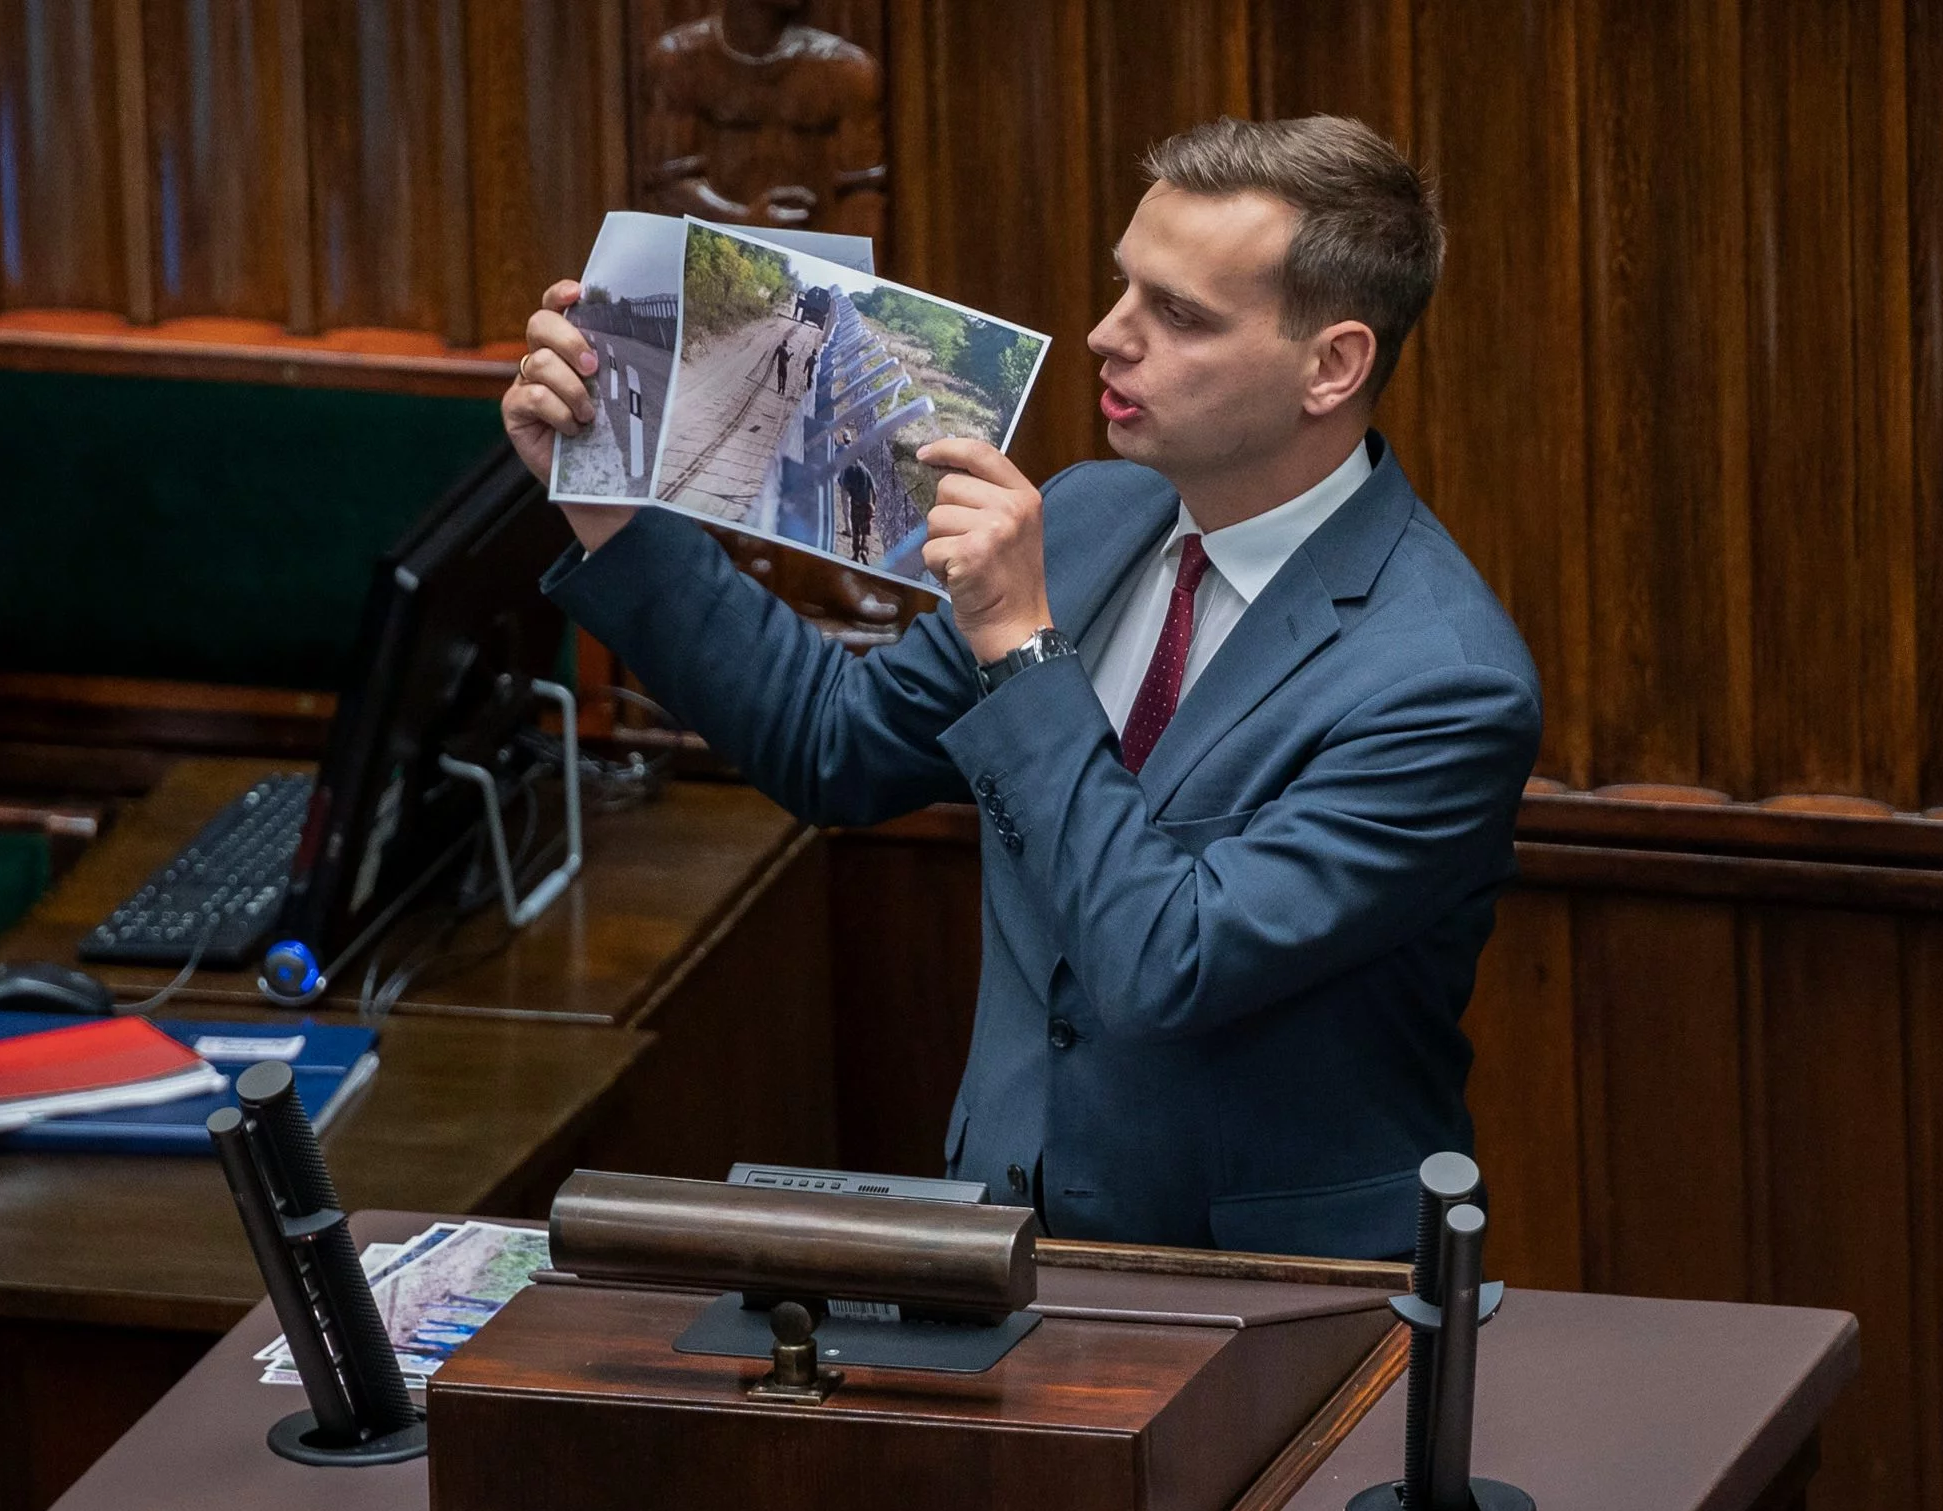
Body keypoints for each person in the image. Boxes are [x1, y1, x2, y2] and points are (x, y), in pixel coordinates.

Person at [502, 115, 1541, 1260]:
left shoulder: (1440, 682)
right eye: (1123, 289)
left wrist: (1016, 639)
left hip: (1269, 1292)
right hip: (1002, 1240)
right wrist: (609, 504)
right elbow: (831, 748)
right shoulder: (1094, 515)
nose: (1106, 336)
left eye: (1178, 315)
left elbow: (1165, 967)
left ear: (1331, 364)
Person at [838, 457, 875, 560]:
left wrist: (851, 492)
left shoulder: (849, 470)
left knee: (856, 531)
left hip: (856, 505)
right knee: (865, 531)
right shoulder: (866, 471)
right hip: (866, 506)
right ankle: (864, 550)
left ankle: (855, 554)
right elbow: (874, 491)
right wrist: (873, 505)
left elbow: (844, 485)